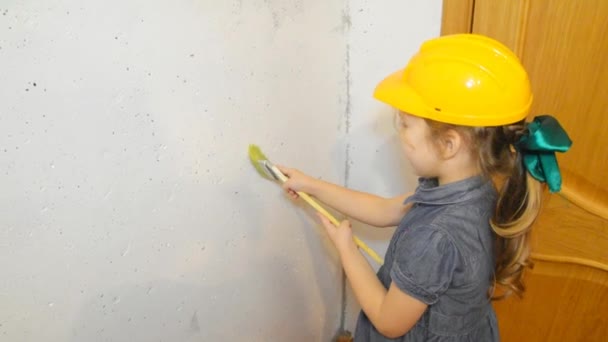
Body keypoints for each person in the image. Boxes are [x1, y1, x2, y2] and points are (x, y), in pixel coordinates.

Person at [278, 34, 572, 341]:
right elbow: (383, 209)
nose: (399, 133)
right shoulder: (476, 189)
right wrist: (312, 184)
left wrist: (346, 249)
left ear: (448, 144)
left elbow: (388, 321)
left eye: (405, 124)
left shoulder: (435, 236)